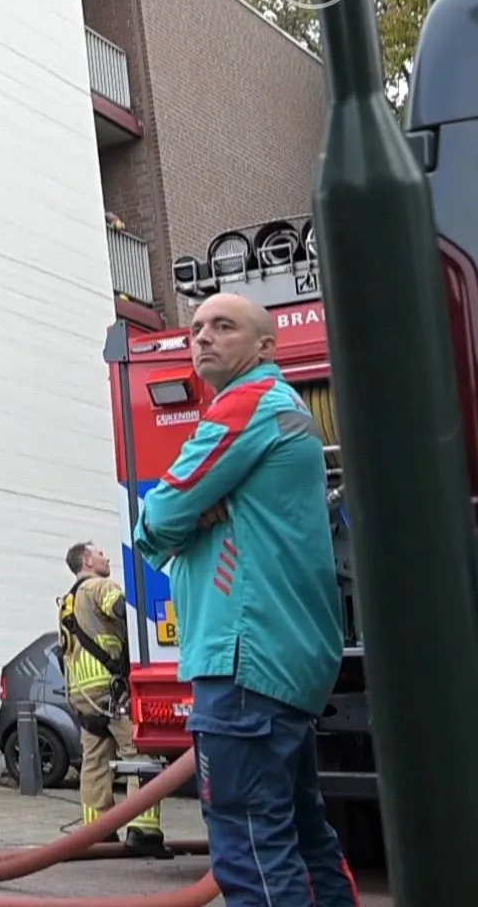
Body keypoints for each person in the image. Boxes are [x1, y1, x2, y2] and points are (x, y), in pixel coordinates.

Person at [132, 292, 357, 907]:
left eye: (223, 326)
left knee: (251, 848)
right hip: (285, 658)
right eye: (197, 326)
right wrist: (189, 516)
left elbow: (157, 517)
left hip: (242, 659)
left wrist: (176, 520)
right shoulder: (285, 410)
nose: (201, 337)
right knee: (305, 836)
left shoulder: (246, 406)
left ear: (265, 346)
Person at [58, 541, 168, 856]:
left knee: (94, 762)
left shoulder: (68, 599)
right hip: (110, 688)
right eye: (100, 552)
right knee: (141, 753)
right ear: (87, 560)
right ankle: (143, 831)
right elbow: (124, 611)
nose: (106, 556)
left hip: (83, 692)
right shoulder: (99, 586)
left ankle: (98, 832)